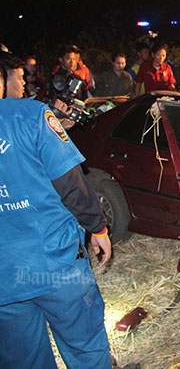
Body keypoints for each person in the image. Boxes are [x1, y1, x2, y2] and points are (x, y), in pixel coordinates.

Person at [0, 51, 113, 368]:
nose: (23, 82)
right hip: (53, 263)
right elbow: (72, 186)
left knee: (24, 359)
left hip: (4, 280)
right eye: (18, 76)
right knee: (85, 348)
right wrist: (98, 228)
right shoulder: (32, 116)